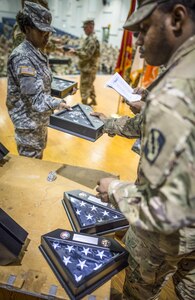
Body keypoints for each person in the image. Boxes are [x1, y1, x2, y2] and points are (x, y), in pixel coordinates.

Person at [95, 1, 195, 299]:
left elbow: (168, 211)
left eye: (144, 29)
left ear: (176, 18)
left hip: (169, 240)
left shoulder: (176, 90)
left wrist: (115, 188)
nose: (137, 41)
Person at [6, 1, 70, 159]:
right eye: (42, 31)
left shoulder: (36, 52)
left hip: (37, 120)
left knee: (37, 160)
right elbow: (36, 99)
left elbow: (40, 83)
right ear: (27, 29)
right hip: (28, 124)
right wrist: (58, 103)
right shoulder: (23, 56)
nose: (47, 35)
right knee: (30, 168)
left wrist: (65, 90)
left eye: (48, 30)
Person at [68, 19, 100, 106]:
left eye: (85, 28)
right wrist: (76, 50)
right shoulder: (89, 39)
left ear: (90, 27)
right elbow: (84, 49)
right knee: (90, 85)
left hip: (88, 69)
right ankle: (93, 100)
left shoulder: (92, 40)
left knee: (84, 88)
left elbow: (87, 55)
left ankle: (84, 106)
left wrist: (75, 52)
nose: (84, 30)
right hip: (88, 68)